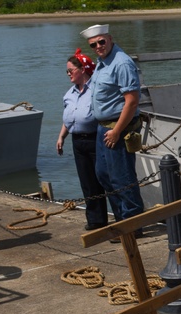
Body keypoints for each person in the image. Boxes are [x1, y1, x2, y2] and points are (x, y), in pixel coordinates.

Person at [81, 24, 145, 226]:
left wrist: (117, 131)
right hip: (103, 128)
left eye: (101, 41)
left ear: (109, 38)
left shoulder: (121, 63)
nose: (98, 46)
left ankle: (132, 225)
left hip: (118, 128)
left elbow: (132, 101)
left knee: (122, 178)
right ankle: (121, 221)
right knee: (104, 175)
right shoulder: (102, 62)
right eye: (93, 44)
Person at [56, 49, 108, 231]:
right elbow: (70, 118)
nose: (68, 74)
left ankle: (119, 217)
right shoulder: (69, 94)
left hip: (96, 138)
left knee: (104, 179)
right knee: (87, 181)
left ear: (83, 69)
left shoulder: (95, 90)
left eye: (71, 70)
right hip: (77, 141)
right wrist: (62, 136)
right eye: (67, 71)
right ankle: (96, 220)